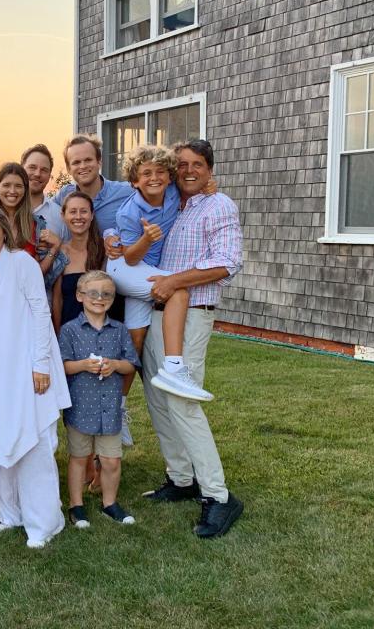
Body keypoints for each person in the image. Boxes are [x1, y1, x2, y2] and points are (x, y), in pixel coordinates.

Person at [140, 139, 244, 539]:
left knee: (183, 402)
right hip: (157, 315)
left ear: (209, 169)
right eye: (180, 164)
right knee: (158, 399)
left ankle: (218, 496)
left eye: (196, 165)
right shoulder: (170, 204)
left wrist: (174, 281)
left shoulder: (219, 205)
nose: (187, 171)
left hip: (191, 316)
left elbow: (226, 263)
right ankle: (182, 478)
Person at [0, 204, 70, 549]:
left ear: (4, 231)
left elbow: (41, 311)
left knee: (34, 442)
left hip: (28, 366)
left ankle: (44, 522)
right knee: (2, 436)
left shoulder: (22, 262)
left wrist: (40, 364)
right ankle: (10, 513)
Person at [109, 145, 210, 402]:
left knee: (136, 340)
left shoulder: (174, 192)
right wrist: (146, 238)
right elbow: (130, 257)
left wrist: (209, 186)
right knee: (178, 291)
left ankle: (117, 406)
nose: (154, 178)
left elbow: (193, 186)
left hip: (146, 271)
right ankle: (174, 369)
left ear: (169, 176)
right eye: (146, 173)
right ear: (135, 181)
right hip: (125, 268)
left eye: (160, 172)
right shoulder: (130, 212)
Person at [59, 272, 139, 528]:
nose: (99, 298)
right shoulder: (70, 330)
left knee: (111, 460)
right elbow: (62, 366)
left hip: (109, 409)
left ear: (113, 299)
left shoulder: (119, 330)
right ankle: (76, 505)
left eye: (106, 294)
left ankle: (110, 503)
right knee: (79, 458)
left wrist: (115, 365)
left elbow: (131, 365)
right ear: (80, 296)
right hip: (81, 408)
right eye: (93, 293)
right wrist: (83, 365)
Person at [0, 162, 68, 287]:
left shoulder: (34, 224)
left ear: (25, 190)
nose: (12, 191)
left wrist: (54, 247)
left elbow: (37, 274)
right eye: (6, 185)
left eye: (18, 186)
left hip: (24, 301)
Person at [51, 191, 106, 332]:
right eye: (73, 212)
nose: (78, 217)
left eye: (84, 211)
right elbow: (57, 300)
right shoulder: (60, 252)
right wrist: (59, 337)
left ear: (92, 215)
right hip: (70, 335)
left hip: (102, 335)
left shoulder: (105, 249)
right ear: (63, 216)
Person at [21, 144, 68, 243]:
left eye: (44, 170)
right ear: (21, 169)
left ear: (49, 175)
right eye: (32, 167)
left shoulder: (60, 216)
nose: (37, 174)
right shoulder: (3, 212)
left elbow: (68, 254)